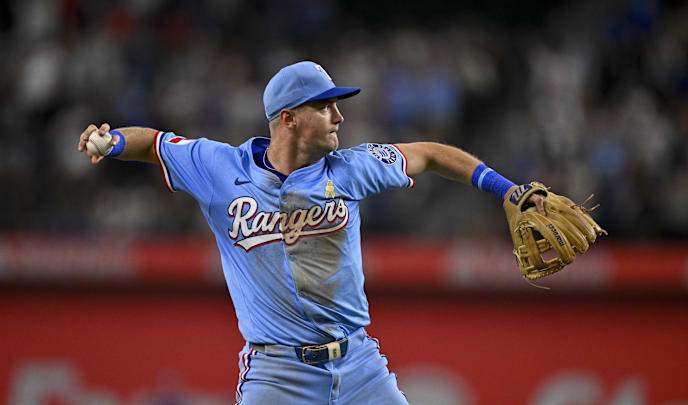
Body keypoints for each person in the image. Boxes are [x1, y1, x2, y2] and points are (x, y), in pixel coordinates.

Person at [77, 61, 545, 405]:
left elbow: (431, 154)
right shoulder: (220, 167)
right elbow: (155, 143)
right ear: (289, 118)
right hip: (277, 375)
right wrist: (111, 141)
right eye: (325, 107)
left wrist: (506, 190)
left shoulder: (351, 169)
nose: (339, 117)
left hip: (359, 364)